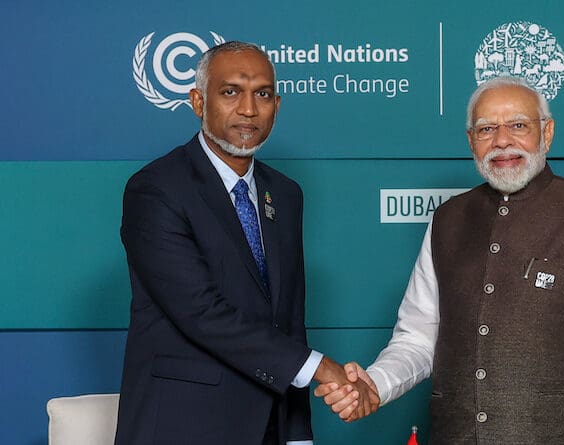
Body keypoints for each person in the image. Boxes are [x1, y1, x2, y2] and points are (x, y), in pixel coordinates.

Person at [316, 76, 564, 444]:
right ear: (471, 141)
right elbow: (418, 339)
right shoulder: (447, 220)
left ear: (547, 133)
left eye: (518, 125)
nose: (502, 141)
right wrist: (376, 383)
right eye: (487, 128)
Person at [114, 41, 376, 445]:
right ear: (198, 101)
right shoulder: (156, 190)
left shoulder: (285, 194)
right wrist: (324, 369)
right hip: (181, 426)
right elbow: (201, 313)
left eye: (263, 94)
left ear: (278, 105)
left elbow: (287, 320)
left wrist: (297, 433)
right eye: (231, 91)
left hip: (269, 428)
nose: (249, 109)